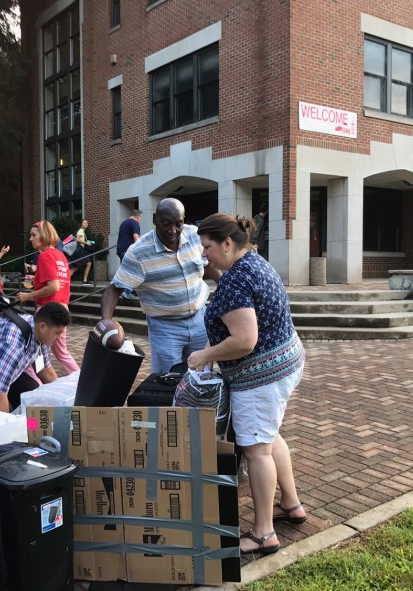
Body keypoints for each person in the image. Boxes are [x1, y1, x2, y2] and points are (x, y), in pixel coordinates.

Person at [187, 213, 306, 556]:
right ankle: (292, 504)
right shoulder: (254, 262)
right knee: (268, 437)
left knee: (256, 451)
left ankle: (264, 532)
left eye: (207, 247)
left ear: (227, 243)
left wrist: (204, 354)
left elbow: (244, 340)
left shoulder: (236, 282)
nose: (203, 254)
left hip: (260, 377)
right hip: (286, 360)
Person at [100, 198, 221, 373]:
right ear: (155, 219)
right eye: (166, 224)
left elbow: (208, 266)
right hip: (165, 327)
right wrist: (106, 321)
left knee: (201, 378)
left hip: (199, 319)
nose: (173, 230)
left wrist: (225, 285)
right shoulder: (138, 252)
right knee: (168, 379)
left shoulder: (195, 235)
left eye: (178, 224)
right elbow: (114, 288)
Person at [17, 221, 80, 374]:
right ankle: (82, 381)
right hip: (62, 308)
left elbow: (53, 287)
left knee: (33, 352)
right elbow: (57, 283)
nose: (30, 239)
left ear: (44, 235)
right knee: (61, 353)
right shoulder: (60, 256)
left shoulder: (44, 257)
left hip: (47, 311)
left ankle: (35, 385)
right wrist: (35, 280)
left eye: (34, 235)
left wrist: (28, 295)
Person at [70, 219, 94, 284]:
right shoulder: (81, 230)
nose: (86, 224)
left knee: (78, 265)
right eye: (84, 223)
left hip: (80, 249)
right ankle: (84, 280)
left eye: (87, 223)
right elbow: (77, 239)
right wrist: (86, 243)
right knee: (77, 265)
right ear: (81, 224)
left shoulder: (82, 231)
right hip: (79, 249)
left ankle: (85, 280)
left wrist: (86, 242)